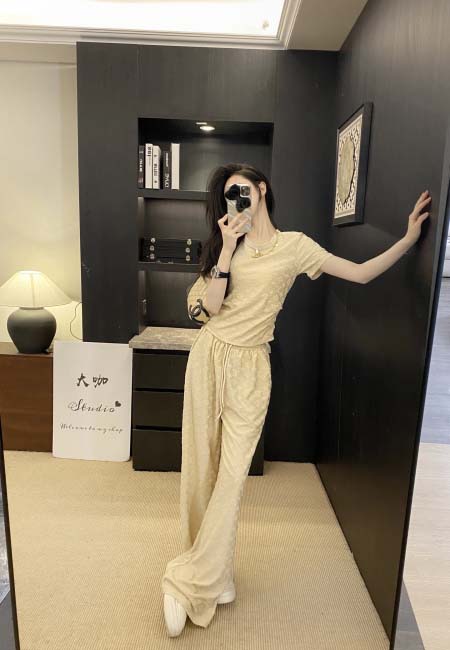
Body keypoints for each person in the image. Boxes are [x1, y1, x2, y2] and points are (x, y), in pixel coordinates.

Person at [161, 162, 431, 636]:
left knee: (232, 479)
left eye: (242, 191)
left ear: (262, 189)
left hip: (251, 369)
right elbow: (209, 309)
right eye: (229, 197)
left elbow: (360, 274)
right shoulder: (225, 245)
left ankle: (187, 581)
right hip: (209, 360)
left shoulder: (295, 247)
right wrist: (227, 249)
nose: (237, 202)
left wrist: (408, 240)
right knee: (201, 468)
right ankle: (215, 574)